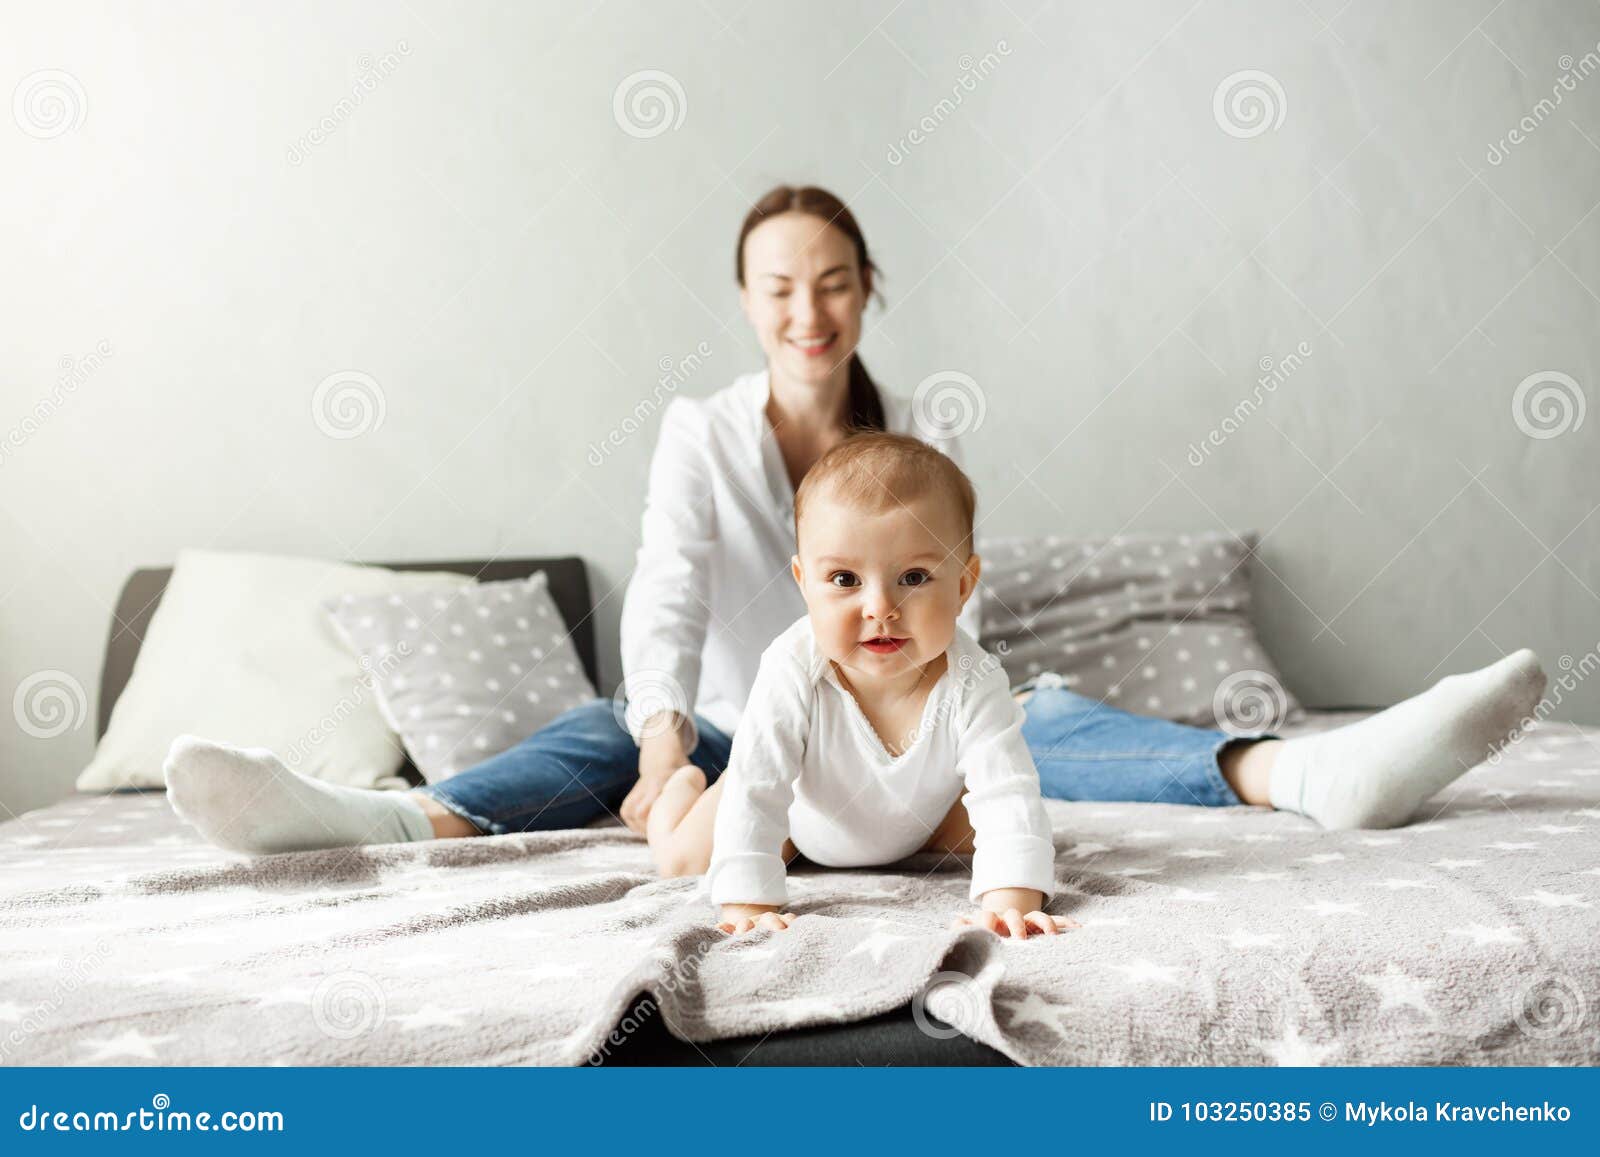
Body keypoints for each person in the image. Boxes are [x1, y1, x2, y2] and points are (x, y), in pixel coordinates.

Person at [163, 183, 1548, 865]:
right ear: (748, 300)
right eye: (777, 288)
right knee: (600, 728)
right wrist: (660, 739)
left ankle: (1308, 774)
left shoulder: (916, 450)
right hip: (734, 724)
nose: (806, 313)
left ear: (865, 290)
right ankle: (374, 822)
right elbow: (667, 595)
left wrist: (951, 751)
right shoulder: (700, 435)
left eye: (831, 284)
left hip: (904, 715)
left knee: (1044, 707)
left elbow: (961, 621)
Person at [647, 431, 1081, 941]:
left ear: (964, 586)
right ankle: (677, 794)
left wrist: (1011, 902)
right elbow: (757, 787)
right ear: (804, 582)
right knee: (688, 859)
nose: (880, 608)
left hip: (921, 822)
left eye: (914, 577)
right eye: (845, 580)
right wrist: (749, 903)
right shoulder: (791, 668)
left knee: (1010, 834)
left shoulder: (975, 677)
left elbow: (1006, 789)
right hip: (798, 821)